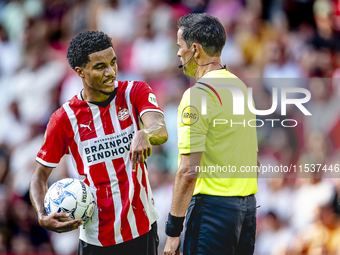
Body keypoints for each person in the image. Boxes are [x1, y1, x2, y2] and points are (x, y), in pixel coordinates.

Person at [29, 31, 168, 255]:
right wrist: (42, 215)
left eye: (113, 63)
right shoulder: (64, 119)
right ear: (80, 72)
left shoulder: (135, 92)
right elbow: (39, 176)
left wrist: (145, 134)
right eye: (100, 66)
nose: (111, 72)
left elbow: (160, 129)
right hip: (96, 239)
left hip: (141, 229)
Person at [164, 14, 258, 255]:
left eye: (179, 46)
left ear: (194, 50)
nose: (178, 53)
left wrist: (173, 232)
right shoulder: (239, 87)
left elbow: (187, 171)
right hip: (246, 210)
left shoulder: (197, 95)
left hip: (212, 212)